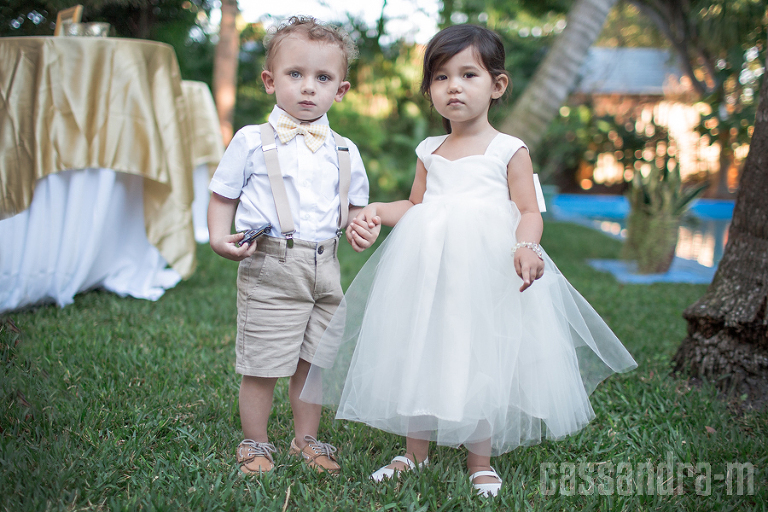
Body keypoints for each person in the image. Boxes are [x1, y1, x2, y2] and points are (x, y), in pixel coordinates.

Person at [301, 24, 637, 497]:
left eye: (468, 74)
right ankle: (413, 453)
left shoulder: (509, 150)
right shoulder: (429, 150)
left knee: (482, 356)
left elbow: (528, 211)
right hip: (428, 274)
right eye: (440, 77)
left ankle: (481, 461)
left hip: (484, 274)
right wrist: (377, 210)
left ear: (497, 85)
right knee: (420, 349)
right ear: (430, 91)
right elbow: (415, 205)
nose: (453, 86)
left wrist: (526, 247)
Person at [207, 16, 379, 476]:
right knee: (263, 363)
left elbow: (354, 209)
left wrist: (362, 229)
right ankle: (255, 442)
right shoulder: (250, 140)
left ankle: (306, 440)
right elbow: (223, 194)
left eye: (322, 78)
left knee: (314, 361)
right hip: (271, 265)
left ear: (340, 90)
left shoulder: (345, 149)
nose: (308, 87)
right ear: (270, 81)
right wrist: (218, 237)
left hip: (326, 267)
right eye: (295, 74)